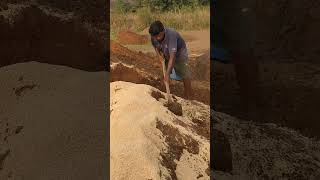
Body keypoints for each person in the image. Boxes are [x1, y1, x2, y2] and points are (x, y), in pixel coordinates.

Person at [211, 0, 261, 121]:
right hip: (220, 12)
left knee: (243, 56)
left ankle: (251, 105)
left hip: (234, 12)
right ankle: (248, 103)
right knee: (241, 56)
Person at [149, 20, 193, 99]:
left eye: (158, 36)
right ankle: (169, 94)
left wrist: (168, 74)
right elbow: (155, 46)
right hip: (166, 52)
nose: (156, 38)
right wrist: (159, 56)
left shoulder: (171, 35)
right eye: (154, 37)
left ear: (163, 31)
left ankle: (189, 95)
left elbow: (173, 57)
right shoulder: (154, 36)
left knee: (184, 73)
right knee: (165, 73)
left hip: (179, 54)